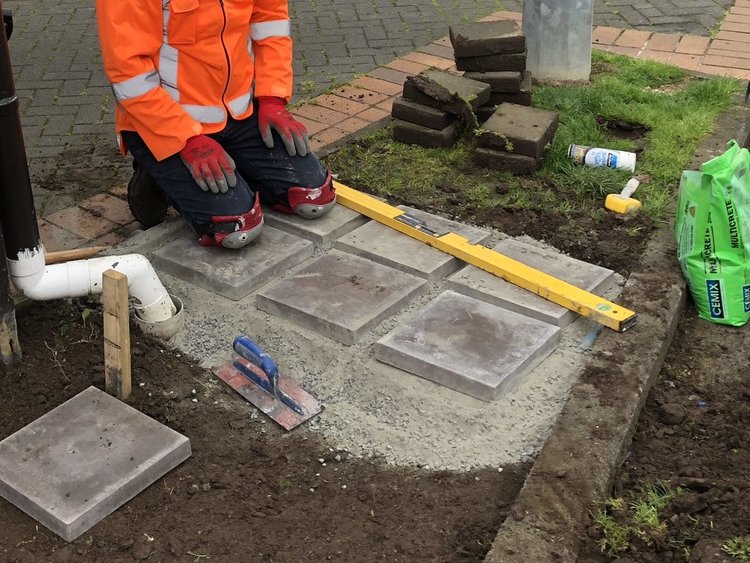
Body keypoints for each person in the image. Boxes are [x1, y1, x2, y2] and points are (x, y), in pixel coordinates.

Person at [94, 0, 335, 249]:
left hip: (239, 113)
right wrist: (186, 139)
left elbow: (270, 20)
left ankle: (231, 167)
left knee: (315, 197)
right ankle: (155, 176)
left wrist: (272, 98)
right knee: (236, 227)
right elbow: (127, 73)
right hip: (165, 127)